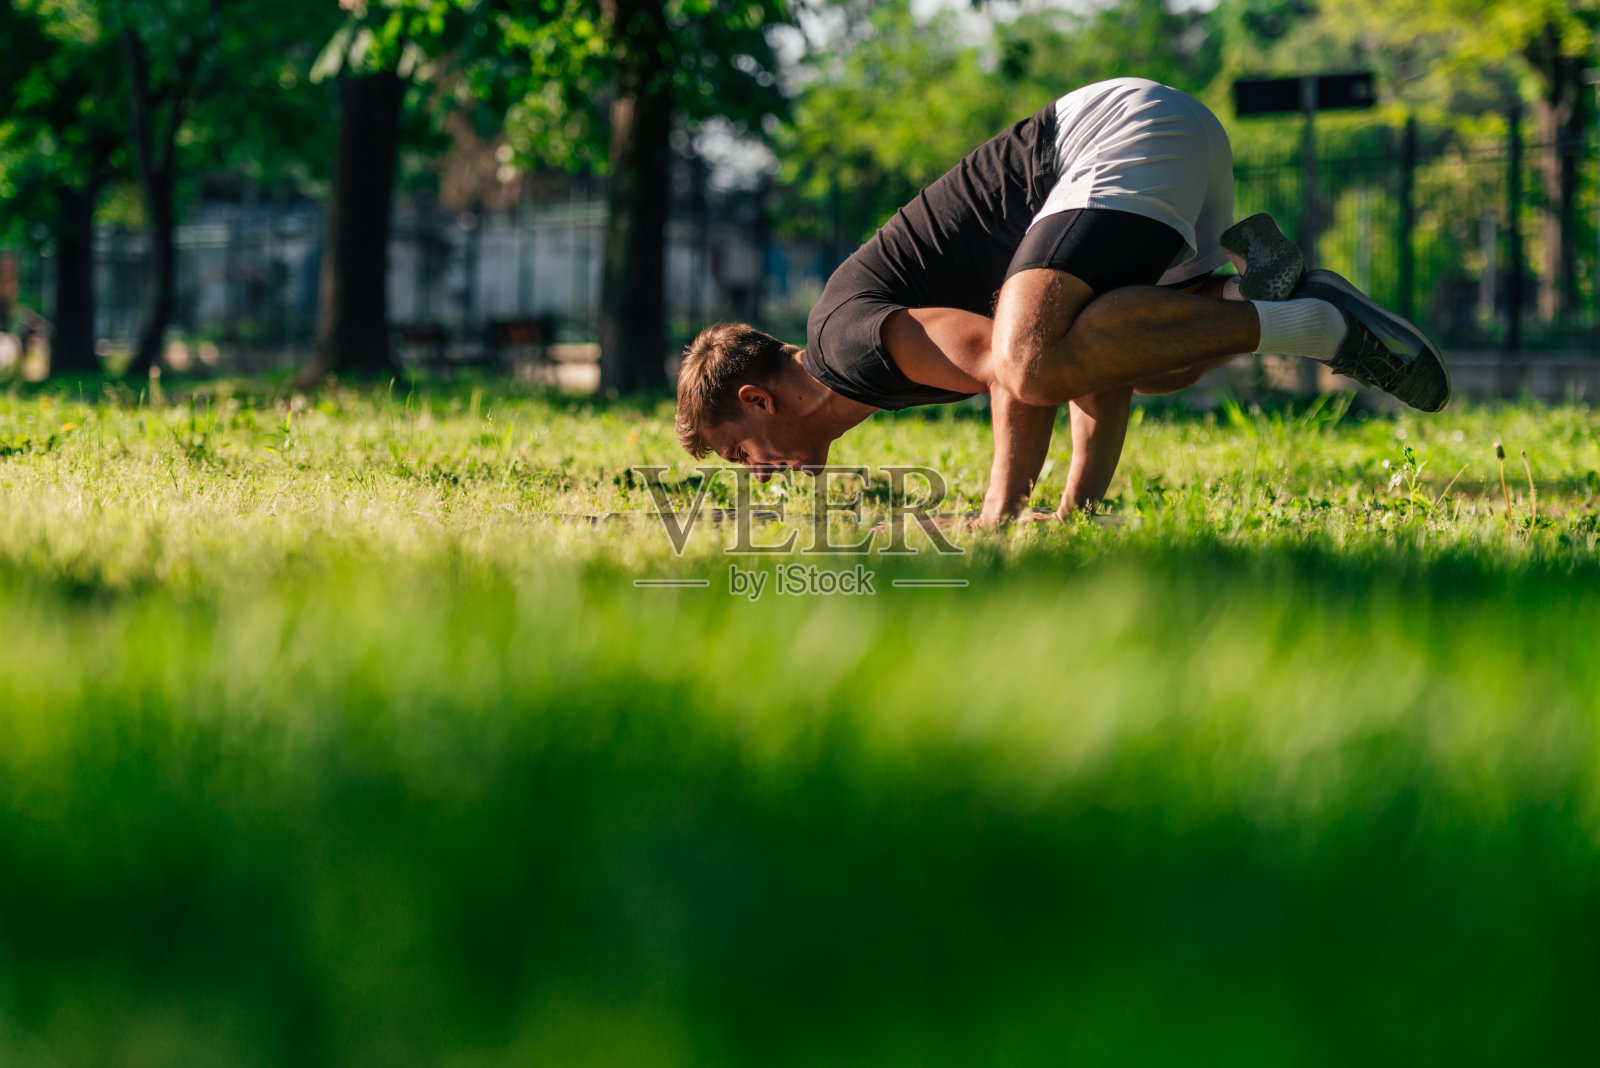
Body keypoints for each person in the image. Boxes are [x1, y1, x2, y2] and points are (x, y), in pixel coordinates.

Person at [675, 77, 1450, 524]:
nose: (754, 474)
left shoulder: (844, 347)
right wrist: (1075, 510)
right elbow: (1091, 367)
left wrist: (996, 516)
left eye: (738, 451)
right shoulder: (862, 372)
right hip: (1172, 145)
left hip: (1110, 137)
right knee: (1145, 366)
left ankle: (1309, 324)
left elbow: (1013, 367)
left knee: (1033, 357)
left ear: (758, 400)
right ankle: (1252, 286)